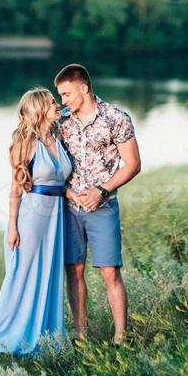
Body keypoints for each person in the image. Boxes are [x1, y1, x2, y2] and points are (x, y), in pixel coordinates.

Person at [0, 87, 73, 356]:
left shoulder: (57, 137)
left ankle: (47, 336)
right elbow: (16, 190)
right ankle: (12, 334)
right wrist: (13, 227)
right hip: (32, 218)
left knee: (50, 276)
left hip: (56, 217)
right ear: (39, 109)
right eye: (52, 103)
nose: (57, 105)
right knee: (25, 277)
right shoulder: (25, 144)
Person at [55, 64, 141, 345]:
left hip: (103, 206)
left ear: (83, 87)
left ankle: (120, 337)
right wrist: (69, 194)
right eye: (61, 95)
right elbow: (52, 164)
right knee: (74, 270)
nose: (63, 100)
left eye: (66, 94)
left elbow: (133, 164)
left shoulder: (116, 118)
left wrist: (101, 191)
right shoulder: (62, 121)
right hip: (69, 208)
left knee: (109, 272)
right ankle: (81, 336)